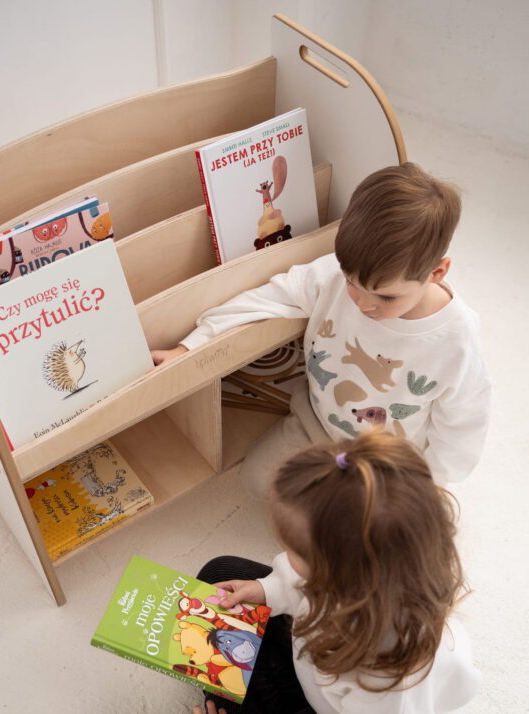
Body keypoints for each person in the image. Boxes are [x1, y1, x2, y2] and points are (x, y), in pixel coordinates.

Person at [151, 163, 490, 495]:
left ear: (437, 273)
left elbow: (463, 424)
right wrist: (189, 348)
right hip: (318, 426)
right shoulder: (330, 276)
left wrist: (433, 483)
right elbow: (265, 298)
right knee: (259, 480)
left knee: (366, 531)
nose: (363, 304)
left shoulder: (455, 338)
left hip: (391, 460)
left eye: (386, 297)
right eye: (352, 283)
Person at [193, 430, 480, 714]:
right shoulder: (375, 575)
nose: (284, 554)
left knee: (223, 674)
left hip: (325, 703)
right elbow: (301, 583)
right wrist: (266, 590)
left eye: (293, 550)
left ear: (336, 575)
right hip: (316, 657)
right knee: (221, 572)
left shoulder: (386, 683)